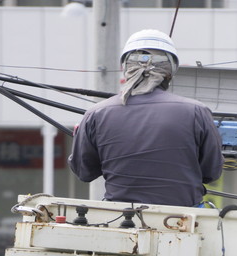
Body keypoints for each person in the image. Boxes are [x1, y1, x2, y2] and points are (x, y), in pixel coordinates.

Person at [68, 29, 224, 207]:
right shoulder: (197, 111)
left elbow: (84, 172)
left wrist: (79, 138)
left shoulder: (96, 113)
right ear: (171, 69)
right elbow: (211, 173)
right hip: (184, 220)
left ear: (126, 67)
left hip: (120, 219)